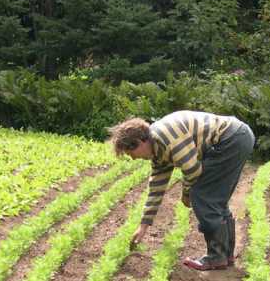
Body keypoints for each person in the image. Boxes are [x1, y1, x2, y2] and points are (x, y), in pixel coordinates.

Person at [108, 111, 255, 270]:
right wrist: (144, 225)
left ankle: (217, 257)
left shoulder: (166, 137)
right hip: (237, 137)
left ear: (139, 142)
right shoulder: (157, 149)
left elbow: (192, 170)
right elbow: (156, 187)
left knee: (202, 195)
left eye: (130, 153)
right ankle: (225, 255)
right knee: (215, 199)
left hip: (231, 139)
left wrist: (186, 194)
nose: (133, 158)